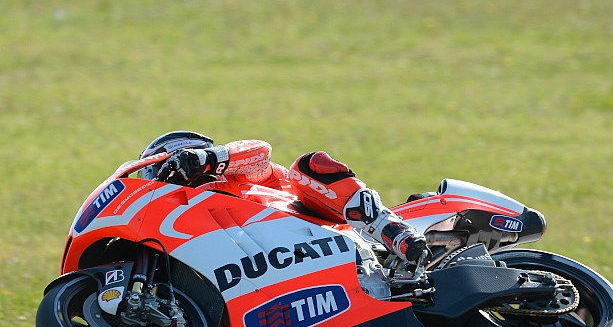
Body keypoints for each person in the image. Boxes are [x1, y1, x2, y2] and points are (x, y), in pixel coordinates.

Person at [140, 131, 427, 264]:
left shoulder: (235, 175)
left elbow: (260, 151)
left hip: (323, 232)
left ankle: (393, 231)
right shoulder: (178, 224)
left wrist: (208, 159)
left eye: (154, 168)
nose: (153, 178)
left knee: (308, 166)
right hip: (276, 269)